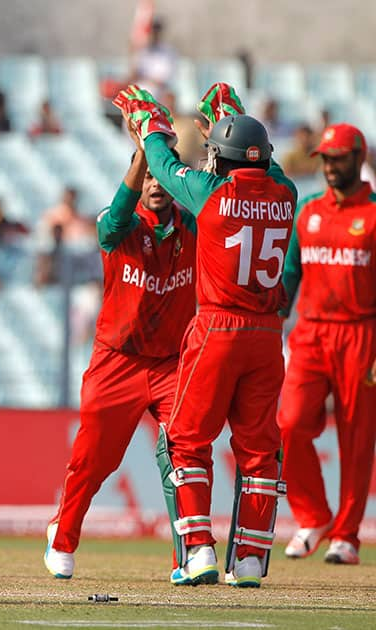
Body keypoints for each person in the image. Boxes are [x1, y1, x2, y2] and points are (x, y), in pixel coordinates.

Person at [115, 83, 296, 588]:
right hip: (267, 335)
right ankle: (252, 560)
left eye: (217, 152)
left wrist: (149, 120)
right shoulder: (287, 193)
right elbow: (268, 167)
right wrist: (230, 119)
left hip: (218, 328)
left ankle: (198, 552)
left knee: (184, 441)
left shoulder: (211, 192)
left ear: (224, 159)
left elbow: (161, 161)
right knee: (260, 449)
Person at [45, 142, 197, 579]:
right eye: (146, 177)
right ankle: (62, 536)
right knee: (95, 461)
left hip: (170, 363)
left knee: (185, 454)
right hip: (117, 361)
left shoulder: (194, 226)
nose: (155, 185)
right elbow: (111, 222)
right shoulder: (119, 224)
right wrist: (141, 156)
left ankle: (188, 555)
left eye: (161, 177)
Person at [278, 124, 376, 566]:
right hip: (311, 334)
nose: (331, 167)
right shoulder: (308, 210)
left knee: (357, 440)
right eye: (326, 159)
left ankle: (347, 537)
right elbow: (291, 273)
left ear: (359, 157)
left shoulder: (374, 213)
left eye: (338, 158)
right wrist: (271, 317)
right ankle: (313, 515)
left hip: (361, 335)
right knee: (290, 423)